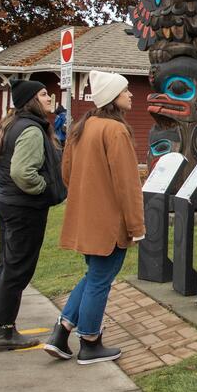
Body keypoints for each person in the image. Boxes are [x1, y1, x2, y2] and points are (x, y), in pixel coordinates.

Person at [44, 71, 143, 364]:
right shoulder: (116, 131)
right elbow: (127, 185)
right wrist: (136, 226)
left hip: (86, 218)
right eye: (126, 90)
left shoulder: (82, 127)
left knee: (94, 277)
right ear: (113, 97)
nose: (131, 94)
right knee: (100, 281)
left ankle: (61, 333)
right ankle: (90, 341)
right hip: (109, 223)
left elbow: (66, 174)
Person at [0, 79, 66, 352]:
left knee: (7, 265)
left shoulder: (9, 125)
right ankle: (5, 331)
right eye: (44, 94)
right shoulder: (31, 130)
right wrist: (42, 188)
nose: (49, 98)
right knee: (18, 268)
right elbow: (22, 172)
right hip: (24, 208)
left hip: (7, 202)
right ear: (31, 99)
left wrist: (6, 185)